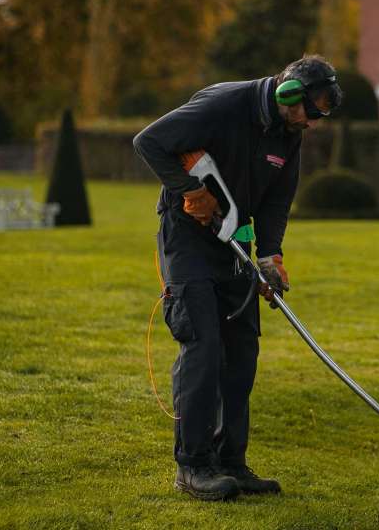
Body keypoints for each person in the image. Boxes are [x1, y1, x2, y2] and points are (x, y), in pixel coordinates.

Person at [133, 55, 343, 501]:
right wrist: (190, 191)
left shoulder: (290, 134)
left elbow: (275, 202)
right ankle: (193, 466)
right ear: (288, 93)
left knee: (241, 349)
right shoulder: (224, 105)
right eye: (311, 110)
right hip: (187, 238)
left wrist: (270, 258)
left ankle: (231, 462)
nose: (311, 123)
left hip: (233, 239)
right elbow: (148, 141)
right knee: (203, 343)